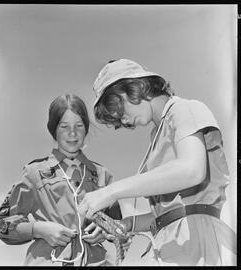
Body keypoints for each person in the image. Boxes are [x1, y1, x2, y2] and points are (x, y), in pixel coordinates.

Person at [78, 59, 237, 266]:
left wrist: (109, 192)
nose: (123, 121)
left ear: (136, 87)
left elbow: (192, 170)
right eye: (116, 118)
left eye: (118, 109)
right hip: (170, 245)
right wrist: (125, 224)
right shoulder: (157, 136)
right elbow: (167, 215)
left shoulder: (185, 109)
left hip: (198, 245)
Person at [0, 94, 125, 266]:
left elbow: (120, 227)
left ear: (86, 129)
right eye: (64, 126)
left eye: (79, 125)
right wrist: (38, 229)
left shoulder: (102, 175)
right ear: (54, 129)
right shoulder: (34, 173)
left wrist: (105, 231)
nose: (72, 133)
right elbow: (1, 224)